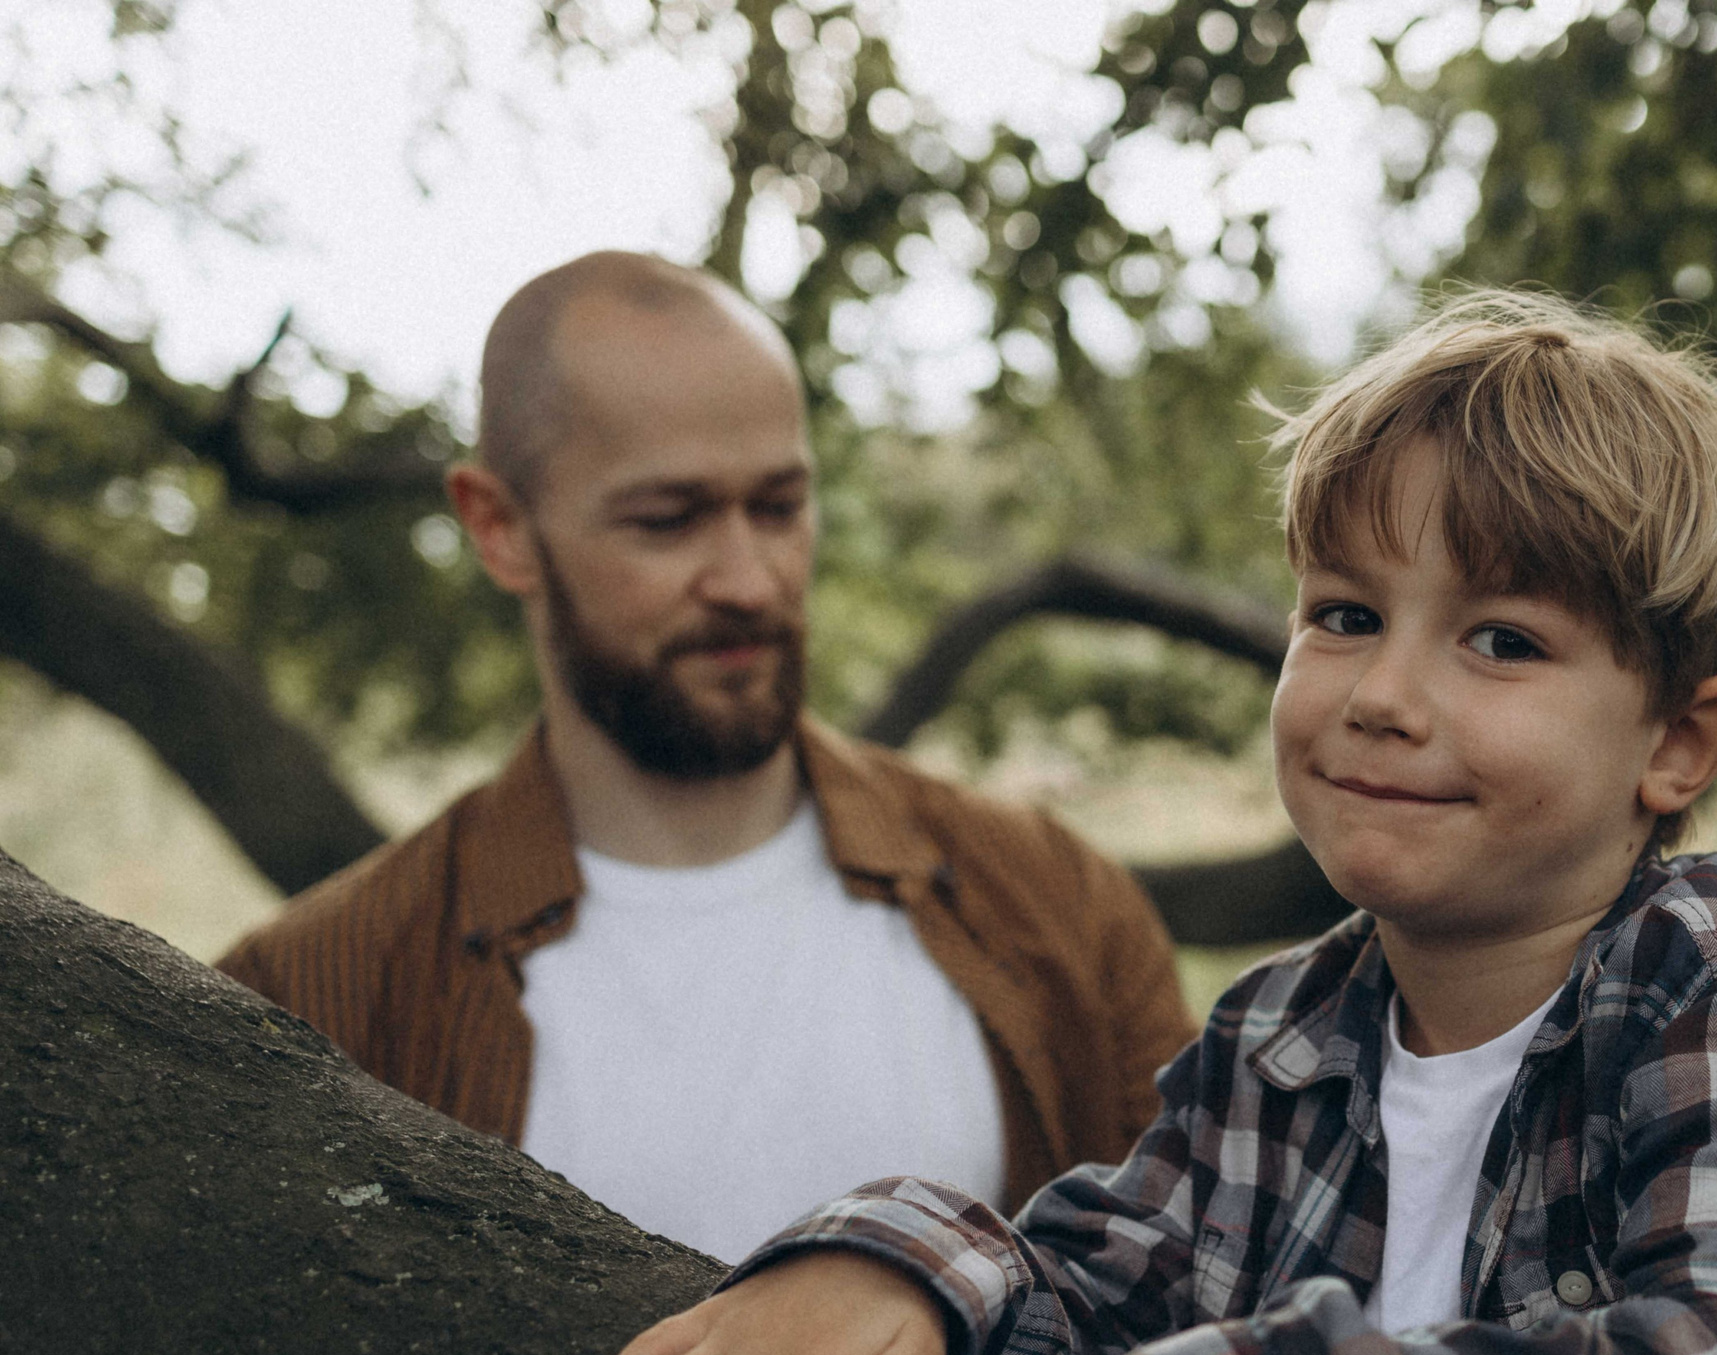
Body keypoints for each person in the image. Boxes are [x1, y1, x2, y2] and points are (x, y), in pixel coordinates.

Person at [577, 292, 1717, 1355]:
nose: (1383, 694)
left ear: (1681, 739)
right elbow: (1100, 1286)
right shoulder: (1283, 1032)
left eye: (1501, 641)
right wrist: (893, 1261)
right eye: (1346, 615)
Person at [217, 253, 1196, 1261]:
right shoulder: (310, 1000)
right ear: (501, 528)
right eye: (667, 520)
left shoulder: (1060, 909)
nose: (747, 579)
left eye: (778, 507)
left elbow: (1196, 1316)